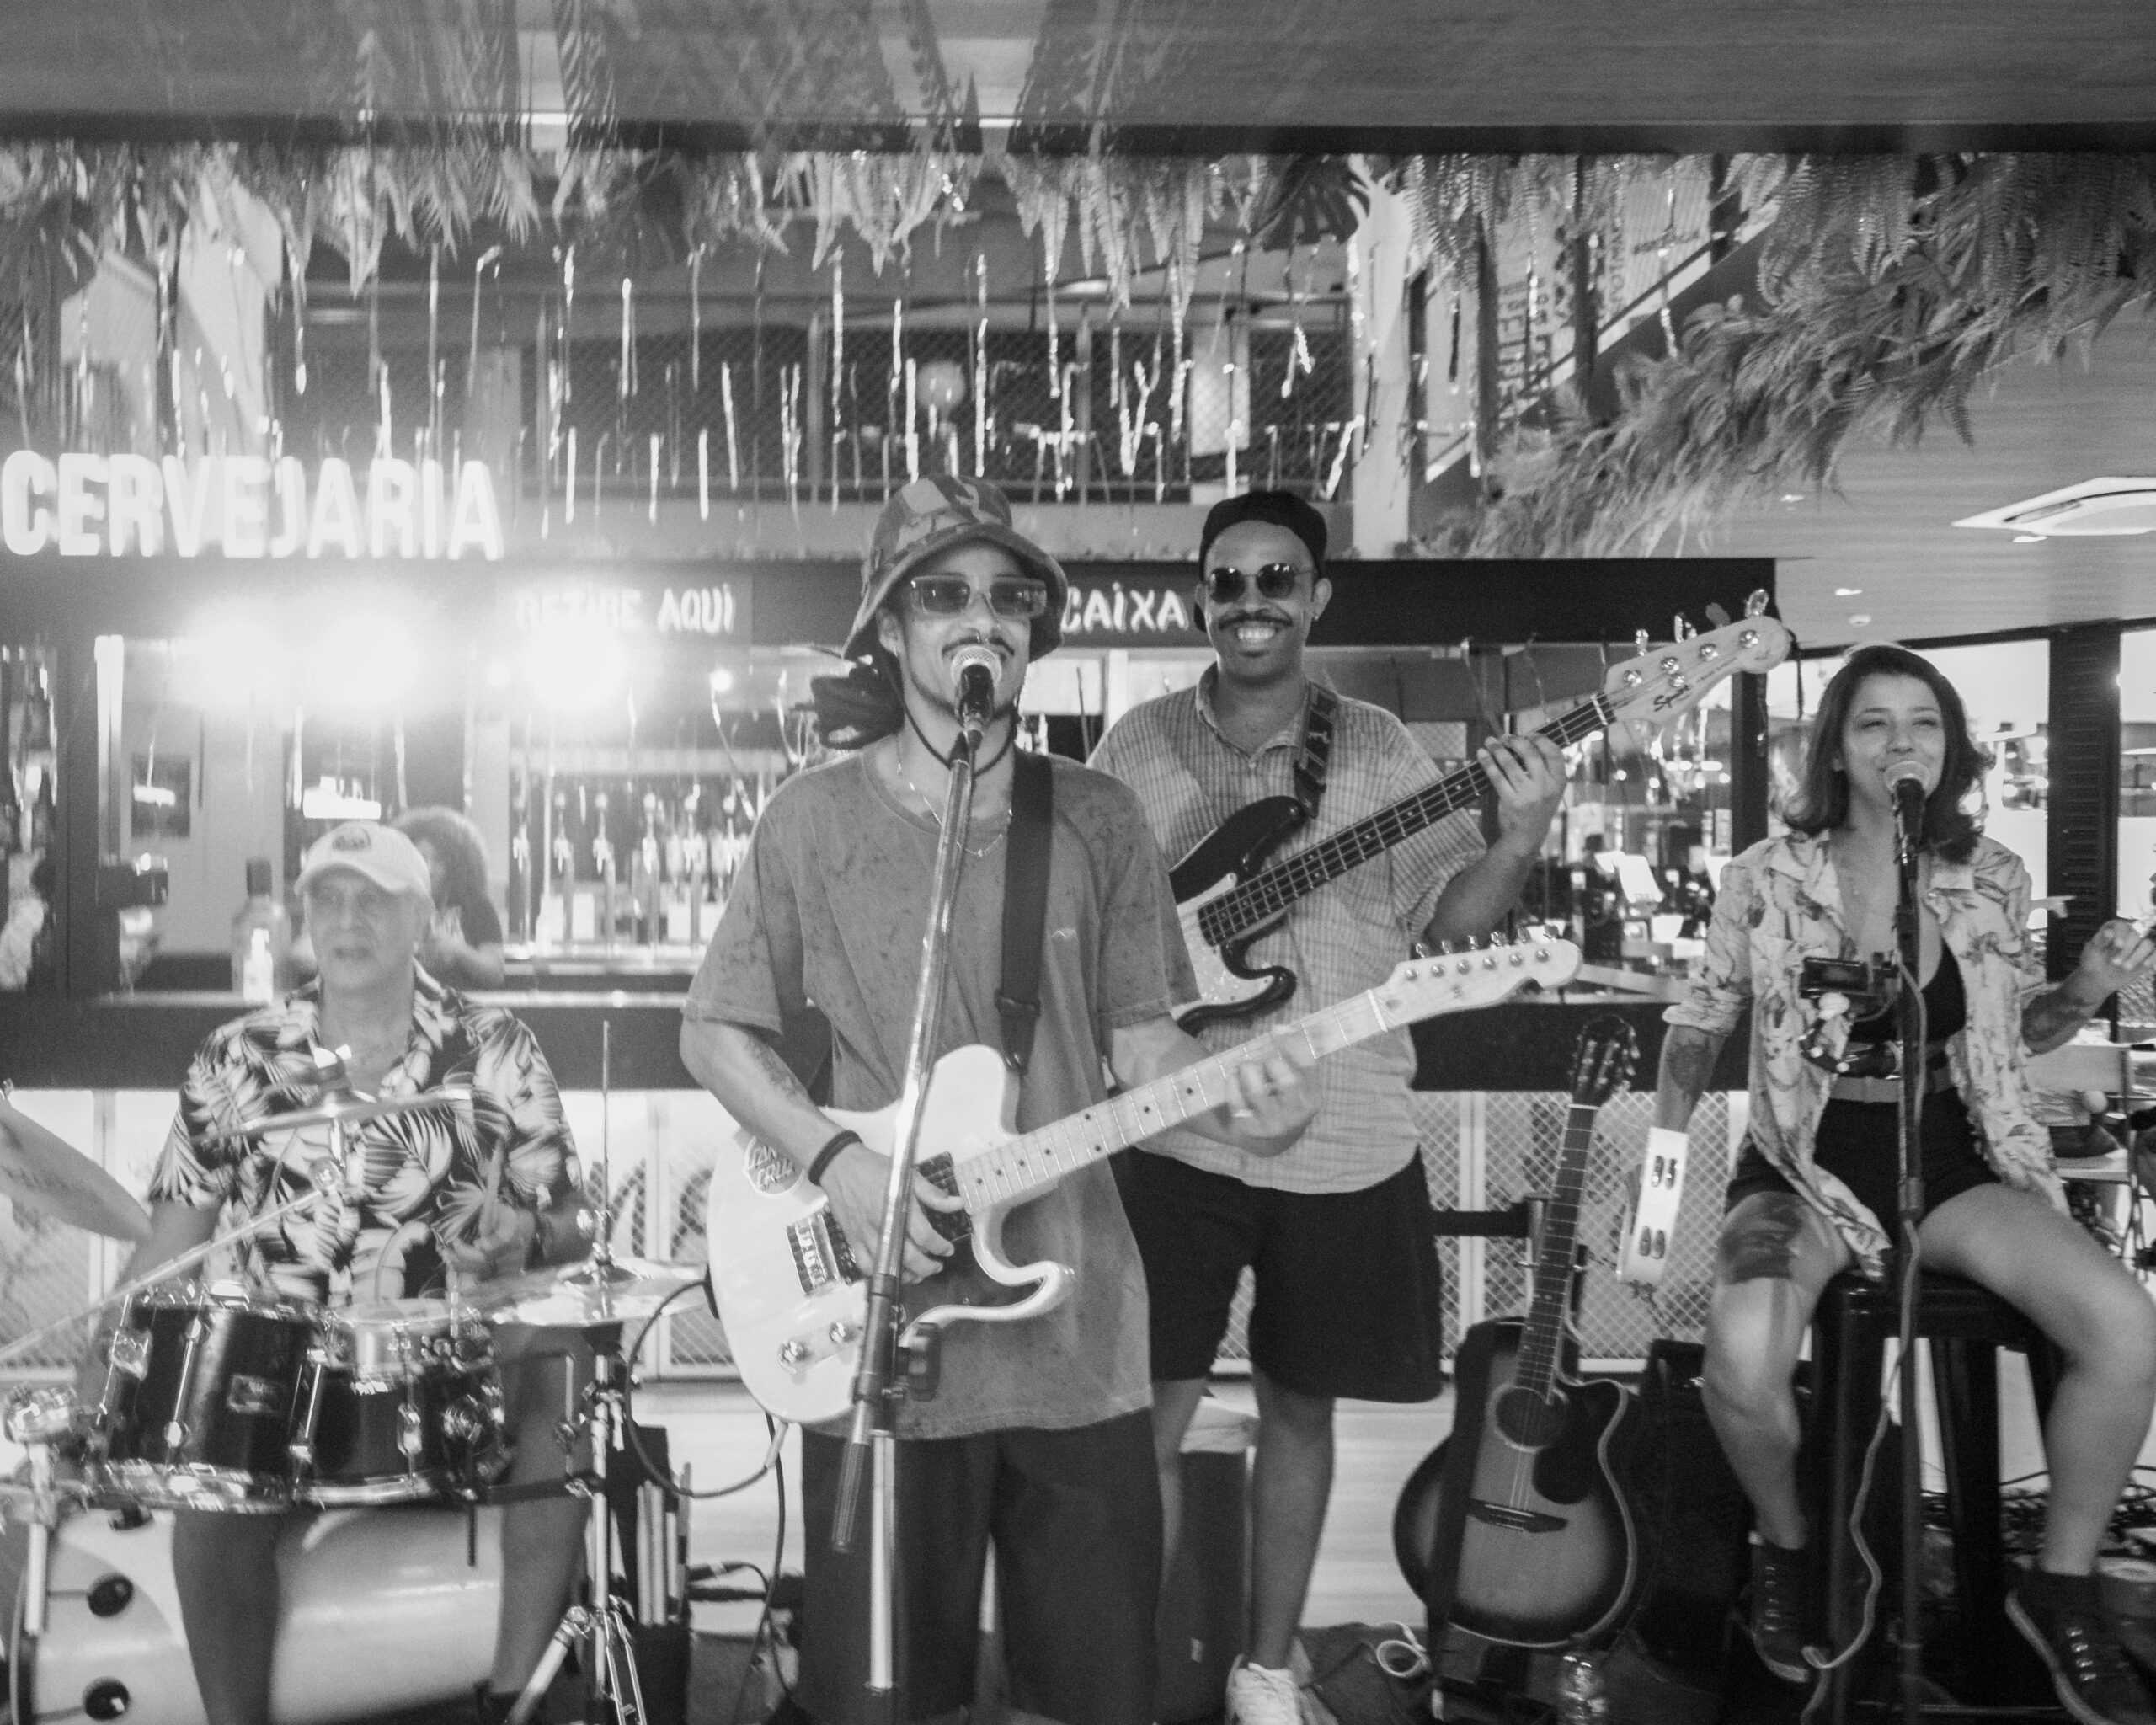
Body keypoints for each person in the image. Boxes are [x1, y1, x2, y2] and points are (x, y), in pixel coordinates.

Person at [680, 474, 1317, 1725]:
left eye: (1008, 596)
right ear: (891, 626)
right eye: (944, 594)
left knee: (1093, 1699)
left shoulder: (1096, 818)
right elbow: (714, 1029)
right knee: (885, 1704)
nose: (982, 616)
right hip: (884, 1345)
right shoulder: (809, 821)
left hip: (1077, 1342)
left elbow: (1143, 1044)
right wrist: (839, 1168)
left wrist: (1241, 1102)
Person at [1089, 489, 1566, 1725]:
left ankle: (1263, 1669)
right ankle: (1124, 1674)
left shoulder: (1379, 749)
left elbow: (1447, 926)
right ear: (1202, 597)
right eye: (1228, 580)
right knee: (1147, 1410)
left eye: (1277, 579)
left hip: (1345, 1128)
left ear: (1317, 597)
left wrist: (1518, 836)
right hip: (1177, 1126)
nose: (1251, 602)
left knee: (1302, 1406)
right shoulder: (1136, 746)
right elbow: (1083, 920)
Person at [1656, 644, 2156, 1725]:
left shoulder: (1990, 874)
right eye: (1873, 722)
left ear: (1950, 744)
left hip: (1956, 1156)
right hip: (1802, 1163)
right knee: (1738, 1363)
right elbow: (1698, 1021)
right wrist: (1658, 1177)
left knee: (2126, 1327)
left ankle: (2060, 1587)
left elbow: (2013, 1033)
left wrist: (2083, 987)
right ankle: (1789, 1545)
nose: (1900, 743)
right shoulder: (1764, 874)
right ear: (1836, 747)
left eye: (1921, 721)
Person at [83, 821, 592, 1725]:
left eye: (374, 900)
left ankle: (516, 1695)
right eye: (328, 899)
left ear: (423, 917)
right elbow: (176, 1238)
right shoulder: (236, 1056)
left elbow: (574, 1224)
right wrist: (104, 1349)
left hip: (452, 1366)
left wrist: (526, 1231)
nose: (347, 920)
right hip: (277, 1376)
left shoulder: (496, 1046)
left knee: (565, 1361)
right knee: (208, 1476)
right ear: (304, 915)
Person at [393, 804, 510, 989]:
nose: (429, 867)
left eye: (438, 859)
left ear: (454, 863)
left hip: (461, 1003)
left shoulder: (476, 905)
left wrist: (458, 951)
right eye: (422, 857)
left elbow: (495, 972)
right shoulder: (394, 903)